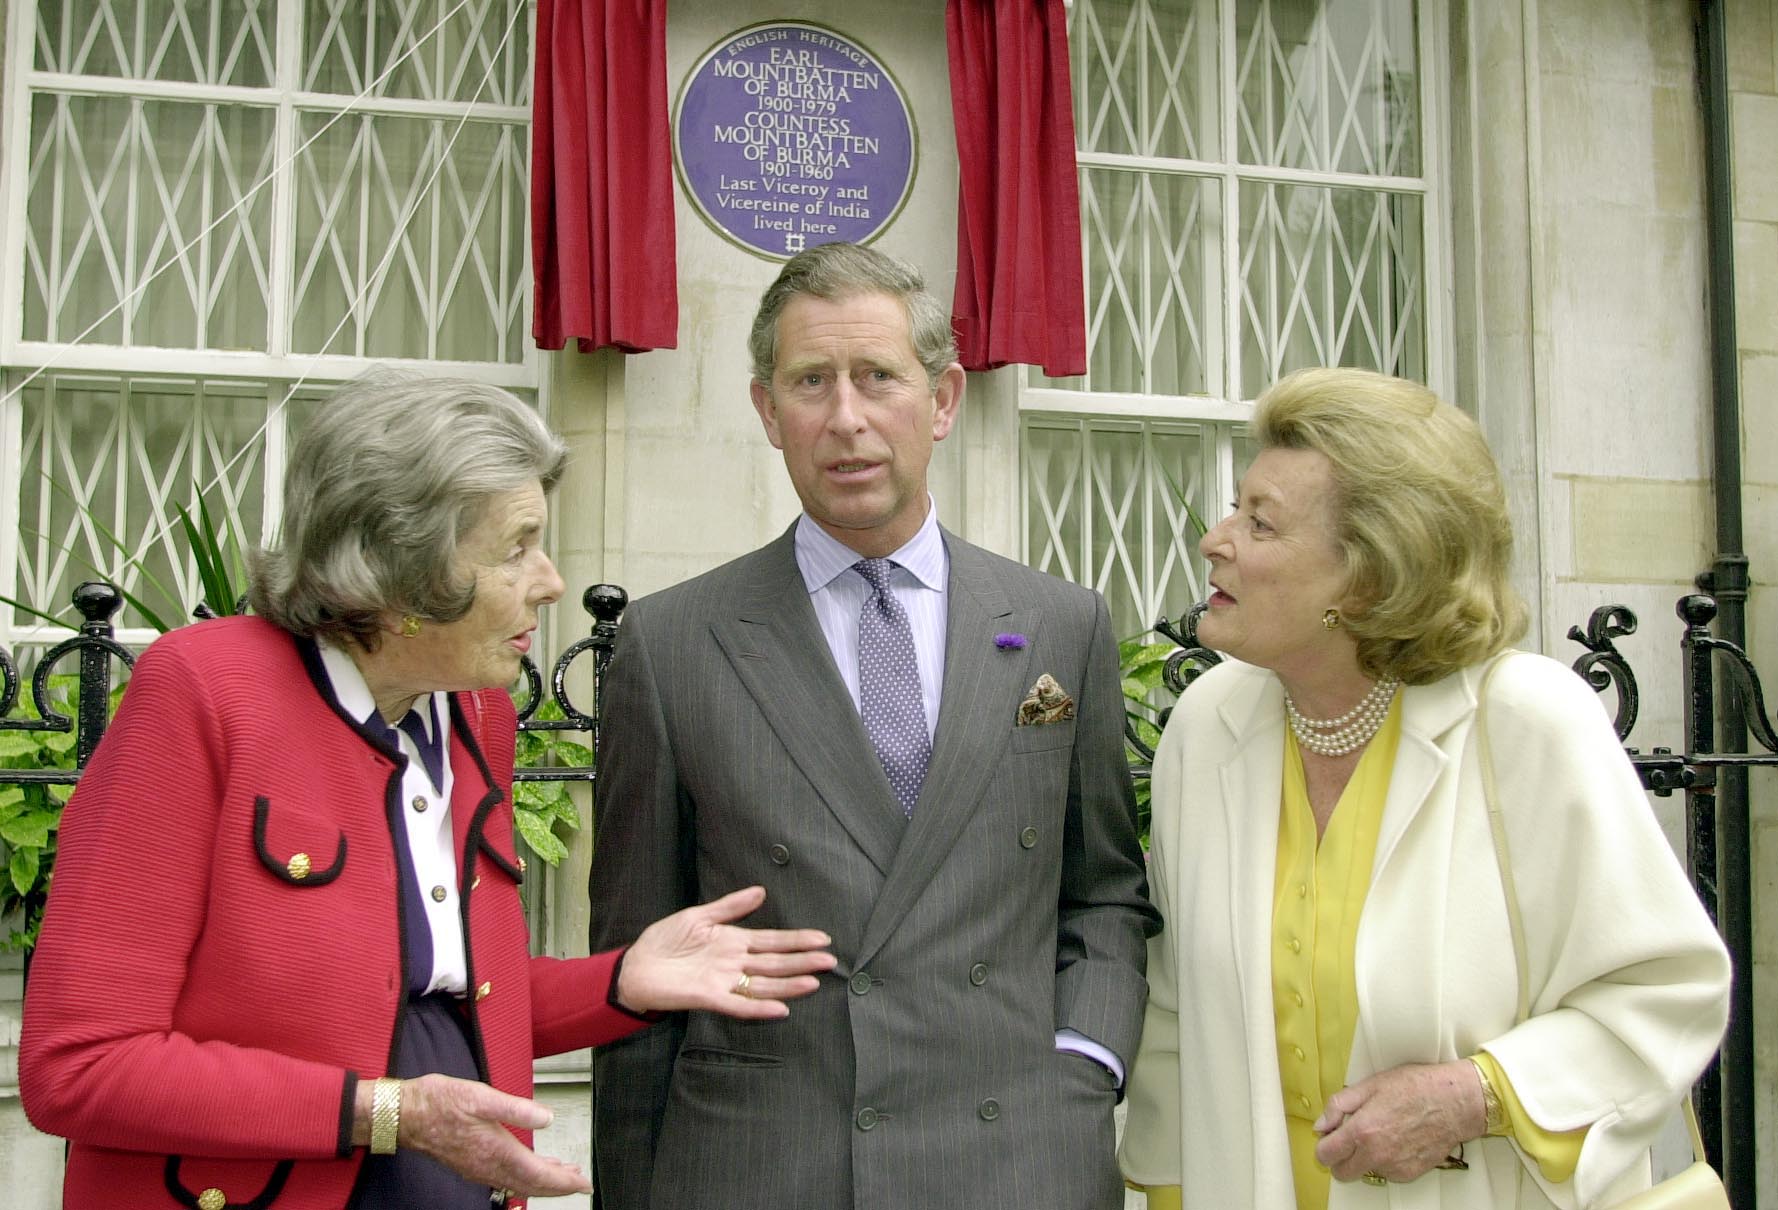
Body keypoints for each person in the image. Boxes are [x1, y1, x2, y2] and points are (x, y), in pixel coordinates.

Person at [19, 372, 836, 1210]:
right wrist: (389, 1115)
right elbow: (78, 1066)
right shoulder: (205, 691)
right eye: (516, 547)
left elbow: (444, 998)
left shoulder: (471, 708)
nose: (553, 581)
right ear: (399, 569)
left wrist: (623, 979)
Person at [584, 241, 1160, 1209]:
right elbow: (638, 962)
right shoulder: (673, 641)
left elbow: (1101, 891)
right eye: (810, 381)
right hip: (763, 1167)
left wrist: (1083, 1062)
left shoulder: (1061, 622)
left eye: (875, 378)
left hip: (1013, 1161)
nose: (844, 418)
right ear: (767, 411)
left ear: (940, 401)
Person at [1118, 367, 1732, 1209]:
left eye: (1259, 523)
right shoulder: (1208, 724)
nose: (1215, 539)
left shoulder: (1526, 719)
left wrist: (1476, 1095)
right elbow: (1175, 1016)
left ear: (1367, 579)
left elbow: (1668, 992)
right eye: (1235, 508)